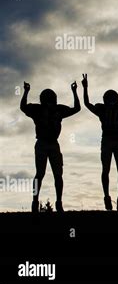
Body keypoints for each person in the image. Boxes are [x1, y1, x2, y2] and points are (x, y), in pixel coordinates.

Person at [81, 72, 118, 211]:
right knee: (109, 170)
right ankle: (110, 197)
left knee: (117, 171)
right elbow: (87, 104)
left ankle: (117, 197)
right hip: (111, 141)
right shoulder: (110, 109)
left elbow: (87, 104)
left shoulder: (113, 109)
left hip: (114, 141)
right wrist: (85, 88)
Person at [20, 81, 81, 213]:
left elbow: (76, 109)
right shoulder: (46, 109)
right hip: (44, 143)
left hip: (51, 144)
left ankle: (55, 202)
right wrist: (25, 92)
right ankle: (37, 201)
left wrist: (26, 91)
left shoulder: (52, 109)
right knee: (43, 174)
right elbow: (23, 107)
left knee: (55, 175)